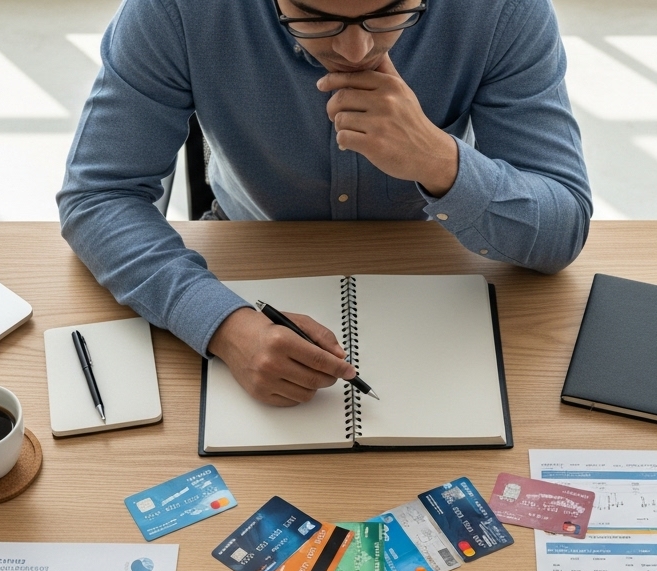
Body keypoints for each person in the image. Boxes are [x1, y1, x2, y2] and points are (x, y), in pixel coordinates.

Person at [58, 0, 592, 406]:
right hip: (247, 258)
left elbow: (562, 224)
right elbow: (100, 195)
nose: (358, 51)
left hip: (438, 270)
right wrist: (221, 324)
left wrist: (439, 162)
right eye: (316, 18)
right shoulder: (178, 10)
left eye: (390, 13)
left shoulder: (501, 11)